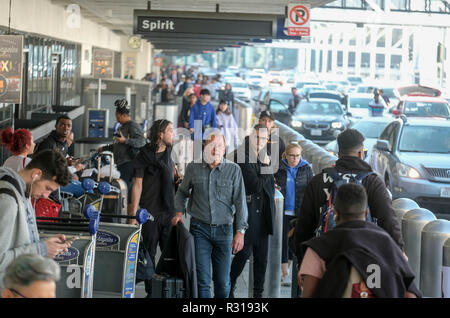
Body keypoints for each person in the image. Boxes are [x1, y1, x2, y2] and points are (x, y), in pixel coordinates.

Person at [293, 129, 404, 268]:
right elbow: (388, 222)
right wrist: (399, 254)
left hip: (325, 260)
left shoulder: (318, 181)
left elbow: (303, 227)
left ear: (339, 155)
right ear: (361, 153)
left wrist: (303, 262)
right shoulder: (372, 182)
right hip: (364, 263)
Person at [299, 183, 421, 298]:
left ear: (336, 213)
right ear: (366, 212)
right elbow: (410, 293)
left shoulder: (320, 246)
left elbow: (308, 294)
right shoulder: (387, 244)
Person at [173, 132, 248, 298]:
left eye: (219, 146)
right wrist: (179, 212)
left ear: (225, 148)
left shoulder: (234, 170)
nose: (215, 150)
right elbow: (182, 192)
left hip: (225, 231)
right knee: (202, 281)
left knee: (222, 283)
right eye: (211, 146)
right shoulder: (194, 167)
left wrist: (240, 232)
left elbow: (241, 203)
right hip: (200, 230)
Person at [0, 149, 72, 290]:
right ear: (36, 174)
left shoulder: (25, 194)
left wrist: (47, 245)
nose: (46, 196)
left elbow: (18, 243)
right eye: (47, 188)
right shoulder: (7, 200)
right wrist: (41, 249)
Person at [130, 119, 178, 297]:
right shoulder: (144, 155)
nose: (173, 134)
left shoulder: (170, 151)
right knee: (148, 256)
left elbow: (173, 173)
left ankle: (167, 291)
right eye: (170, 131)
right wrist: (134, 215)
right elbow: (137, 185)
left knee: (169, 255)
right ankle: (152, 292)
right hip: (149, 213)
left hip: (169, 212)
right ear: (160, 134)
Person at [229, 124, 276, 298]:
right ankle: (230, 284)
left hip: (264, 212)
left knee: (262, 259)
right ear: (251, 136)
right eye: (257, 137)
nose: (260, 141)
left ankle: (258, 294)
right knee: (243, 254)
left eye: (264, 138)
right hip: (248, 212)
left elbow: (270, 182)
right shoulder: (242, 155)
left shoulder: (266, 155)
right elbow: (255, 185)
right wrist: (266, 167)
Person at [274, 143, 313, 286]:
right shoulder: (278, 167)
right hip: (281, 210)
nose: (294, 158)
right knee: (283, 240)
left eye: (297, 155)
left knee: (293, 242)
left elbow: (311, 189)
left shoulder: (306, 168)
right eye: (292, 155)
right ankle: (285, 273)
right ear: (286, 155)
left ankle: (286, 271)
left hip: (298, 211)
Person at [99, 99, 146, 199]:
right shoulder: (122, 127)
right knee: (121, 188)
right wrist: (105, 148)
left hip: (129, 164)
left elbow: (142, 142)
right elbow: (118, 145)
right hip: (121, 164)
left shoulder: (132, 125)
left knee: (125, 190)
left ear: (122, 115)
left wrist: (125, 140)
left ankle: (128, 211)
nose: (116, 117)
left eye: (117, 115)